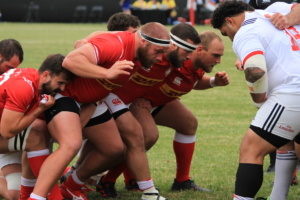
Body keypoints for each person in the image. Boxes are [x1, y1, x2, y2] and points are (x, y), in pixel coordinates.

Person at [31, 23, 170, 200]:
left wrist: (87, 39)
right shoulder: (117, 45)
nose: (160, 58)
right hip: (67, 96)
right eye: (157, 51)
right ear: (143, 41)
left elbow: (101, 33)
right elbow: (70, 61)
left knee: (115, 148)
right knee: (68, 145)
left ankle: (71, 185)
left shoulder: (134, 45)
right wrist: (107, 73)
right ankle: (36, 196)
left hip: (90, 102)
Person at [89, 23, 202, 197]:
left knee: (137, 139)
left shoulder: (176, 60)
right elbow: (111, 37)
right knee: (104, 144)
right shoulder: (150, 50)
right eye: (187, 51)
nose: (189, 56)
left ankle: (90, 179)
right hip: (108, 97)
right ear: (173, 45)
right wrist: (86, 41)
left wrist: (156, 98)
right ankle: (81, 178)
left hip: (128, 101)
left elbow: (180, 81)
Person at [211, 1, 300, 200]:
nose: (230, 38)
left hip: (293, 92)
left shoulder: (245, 31)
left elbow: (255, 69)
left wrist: (259, 101)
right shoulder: (276, 11)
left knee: (251, 148)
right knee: (290, 139)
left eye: (226, 33)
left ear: (230, 21)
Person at [128, 31, 229, 192]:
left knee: (188, 124)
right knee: (146, 137)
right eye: (215, 55)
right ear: (199, 50)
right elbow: (143, 66)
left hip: (158, 102)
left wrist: (213, 82)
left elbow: (192, 81)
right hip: (138, 102)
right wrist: (136, 94)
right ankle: (111, 180)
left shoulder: (198, 64)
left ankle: (182, 181)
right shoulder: (177, 59)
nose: (219, 61)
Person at [0, 54, 74, 200]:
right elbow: (7, 132)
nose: (62, 88)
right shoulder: (24, 87)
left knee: (14, 194)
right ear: (46, 75)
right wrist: (39, 110)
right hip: (4, 131)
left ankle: (27, 195)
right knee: (35, 137)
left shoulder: (30, 76)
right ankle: (54, 197)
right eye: (60, 82)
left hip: (5, 131)